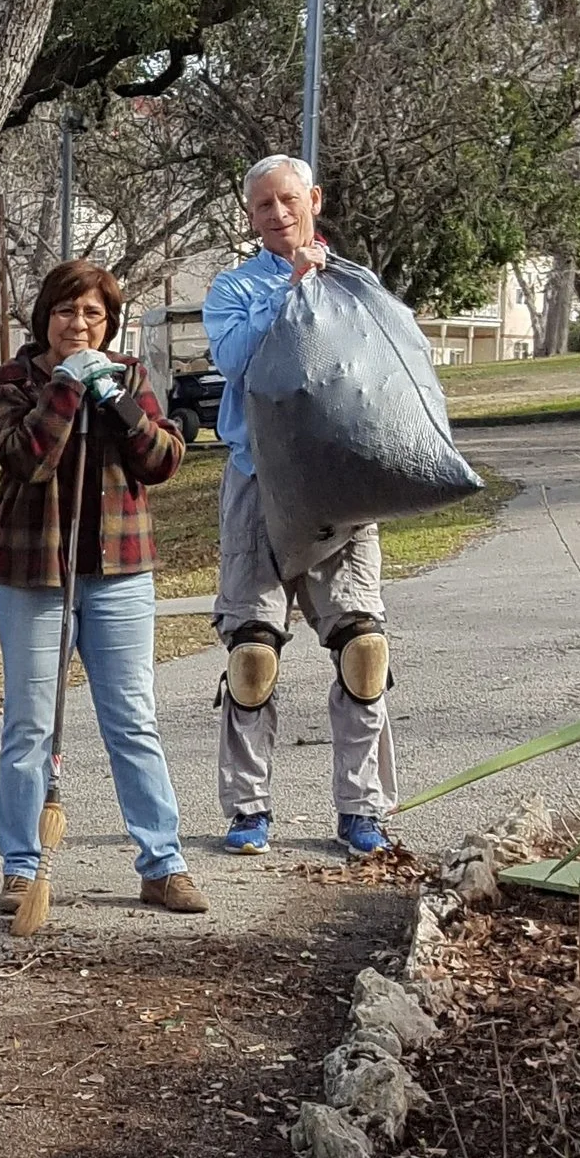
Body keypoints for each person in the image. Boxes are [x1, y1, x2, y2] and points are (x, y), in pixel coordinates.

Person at [0, 257, 204, 918]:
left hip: (119, 576)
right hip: (35, 577)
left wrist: (117, 402)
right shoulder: (13, 382)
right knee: (30, 726)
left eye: (92, 313)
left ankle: (163, 864)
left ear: (109, 323)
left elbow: (163, 460)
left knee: (133, 721)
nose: (77, 324)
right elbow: (27, 459)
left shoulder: (127, 375)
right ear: (44, 317)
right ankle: (23, 868)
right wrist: (65, 389)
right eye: (65, 311)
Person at [203, 154, 395, 858]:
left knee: (364, 650)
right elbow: (237, 362)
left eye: (288, 199)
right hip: (258, 482)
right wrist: (291, 289)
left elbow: (387, 368)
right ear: (250, 216)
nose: (278, 214)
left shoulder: (358, 282)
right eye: (263, 205)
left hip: (340, 484)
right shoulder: (233, 289)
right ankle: (248, 809)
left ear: (313, 199)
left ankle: (362, 811)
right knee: (252, 657)